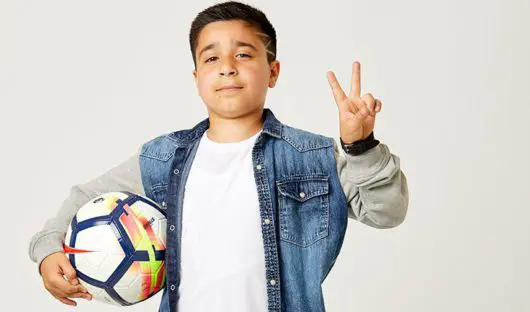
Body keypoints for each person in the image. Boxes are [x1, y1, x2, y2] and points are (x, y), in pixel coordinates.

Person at [28, 1, 409, 311]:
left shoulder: (312, 156)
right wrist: (47, 252)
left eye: (244, 54)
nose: (227, 67)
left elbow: (386, 212)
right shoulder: (164, 158)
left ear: (272, 72)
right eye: (211, 59)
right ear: (196, 78)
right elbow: (82, 198)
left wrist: (360, 146)